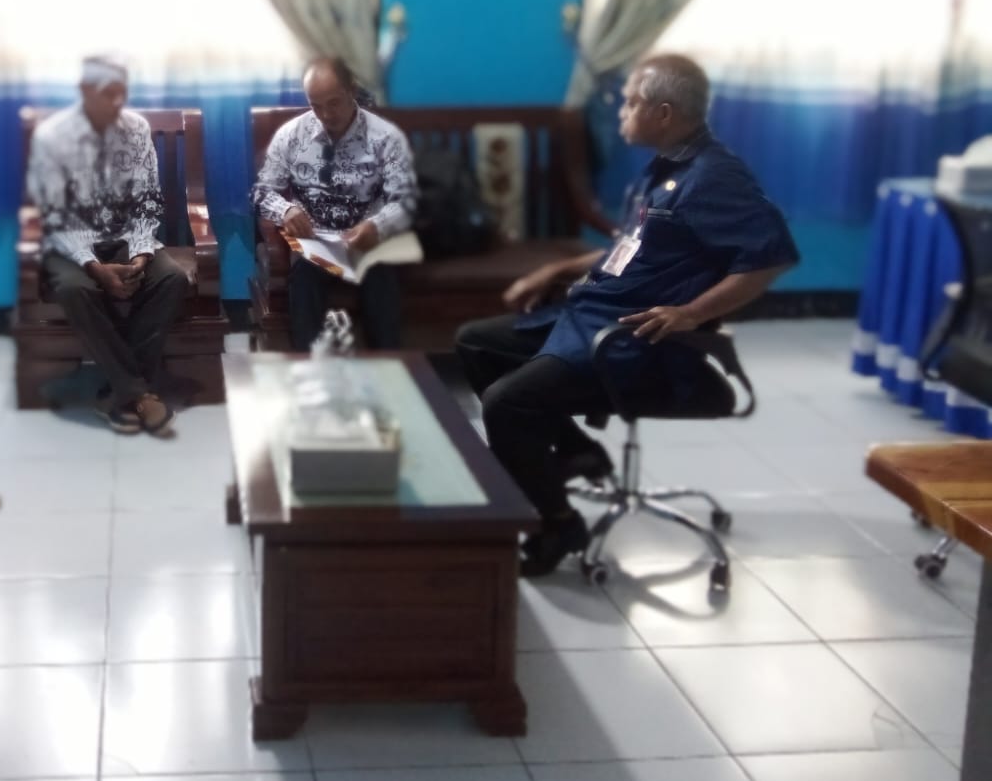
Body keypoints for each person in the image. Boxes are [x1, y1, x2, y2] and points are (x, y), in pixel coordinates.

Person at [453, 54, 799, 576]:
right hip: (591, 316)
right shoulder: (665, 167)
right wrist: (555, 270)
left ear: (663, 112)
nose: (621, 112)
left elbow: (770, 258)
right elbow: (629, 247)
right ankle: (576, 451)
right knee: (476, 343)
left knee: (507, 403)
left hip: (633, 342)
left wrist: (691, 313)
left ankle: (557, 523)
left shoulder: (714, 177)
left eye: (631, 103)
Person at [26, 55, 189, 436]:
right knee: (75, 289)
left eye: (122, 93)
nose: (117, 102)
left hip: (125, 239)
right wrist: (94, 267)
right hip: (70, 245)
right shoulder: (52, 137)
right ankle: (138, 394)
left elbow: (148, 200)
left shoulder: (136, 129)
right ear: (85, 91)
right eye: (108, 93)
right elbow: (54, 216)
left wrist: (141, 253)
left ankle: (119, 393)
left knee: (172, 279)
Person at [252, 57, 417, 349]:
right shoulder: (292, 135)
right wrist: (285, 210)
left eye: (334, 103)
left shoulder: (385, 137)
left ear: (351, 90)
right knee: (304, 276)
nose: (326, 114)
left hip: (366, 241)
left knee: (381, 276)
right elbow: (262, 192)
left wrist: (378, 225)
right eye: (316, 106)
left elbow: (405, 199)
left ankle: (389, 364)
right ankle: (309, 367)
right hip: (315, 241)